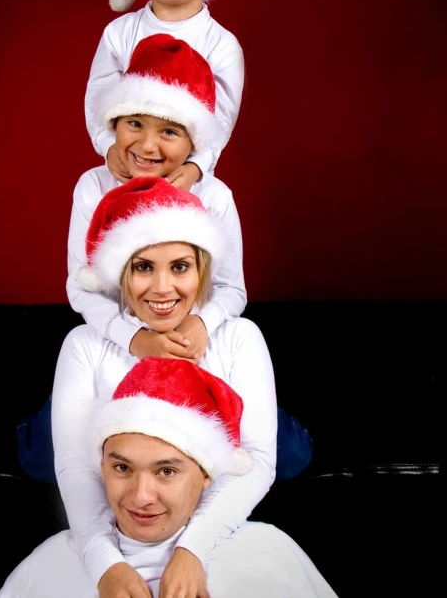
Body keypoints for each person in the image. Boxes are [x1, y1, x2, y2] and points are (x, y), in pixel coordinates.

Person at [16, 36, 312, 484]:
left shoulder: (213, 195)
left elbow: (232, 288)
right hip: (121, 342)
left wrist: (202, 324)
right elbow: (81, 286)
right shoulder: (92, 187)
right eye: (134, 123)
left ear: (193, 138)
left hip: (192, 342)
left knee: (289, 457)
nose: (148, 146)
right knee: (41, 460)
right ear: (113, 123)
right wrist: (133, 339)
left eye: (170, 131)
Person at [41, 175, 312, 597]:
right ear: (119, 274)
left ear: (202, 268)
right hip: (81, 427)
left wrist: (191, 550)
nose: (163, 288)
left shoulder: (237, 337)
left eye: (180, 267)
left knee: (289, 451)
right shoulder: (85, 344)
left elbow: (258, 460)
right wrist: (104, 563)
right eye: (144, 267)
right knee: (41, 451)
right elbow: (75, 467)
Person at [0, 357, 338, 597]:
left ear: (207, 475)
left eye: (166, 471)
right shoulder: (50, 561)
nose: (141, 496)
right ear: (100, 466)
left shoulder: (269, 551)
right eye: (122, 468)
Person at [85, 0, 244, 190]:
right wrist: (108, 147)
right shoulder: (120, 33)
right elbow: (98, 96)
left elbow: (222, 117)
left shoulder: (222, 44)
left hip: (184, 176)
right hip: (126, 169)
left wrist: (196, 167)